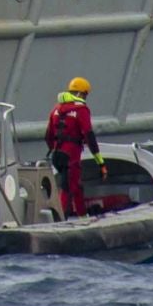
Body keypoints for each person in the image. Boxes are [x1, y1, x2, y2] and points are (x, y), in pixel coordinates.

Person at [45, 76, 106, 218]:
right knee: (68, 189)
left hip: (57, 155)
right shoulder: (81, 110)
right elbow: (89, 135)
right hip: (71, 155)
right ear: (80, 94)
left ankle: (82, 216)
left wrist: (55, 147)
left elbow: (48, 135)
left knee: (76, 186)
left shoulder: (56, 109)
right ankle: (61, 221)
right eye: (85, 94)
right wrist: (100, 162)